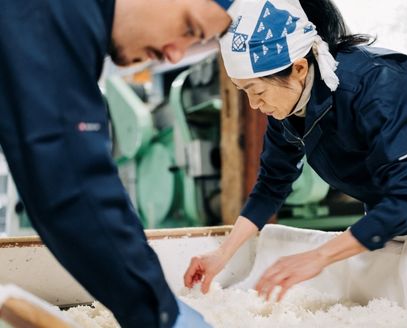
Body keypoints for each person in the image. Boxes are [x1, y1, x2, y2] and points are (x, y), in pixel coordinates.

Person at [184, 0, 407, 302]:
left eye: (257, 91)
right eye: (243, 91)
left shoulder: (378, 82)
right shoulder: (285, 108)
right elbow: (271, 185)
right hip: (383, 194)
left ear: (299, 68)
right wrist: (222, 255)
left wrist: (319, 256)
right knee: (384, 295)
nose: (254, 105)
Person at [0, 0, 234, 327]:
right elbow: (73, 179)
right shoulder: (56, 11)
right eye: (189, 29)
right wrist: (161, 313)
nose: (175, 55)